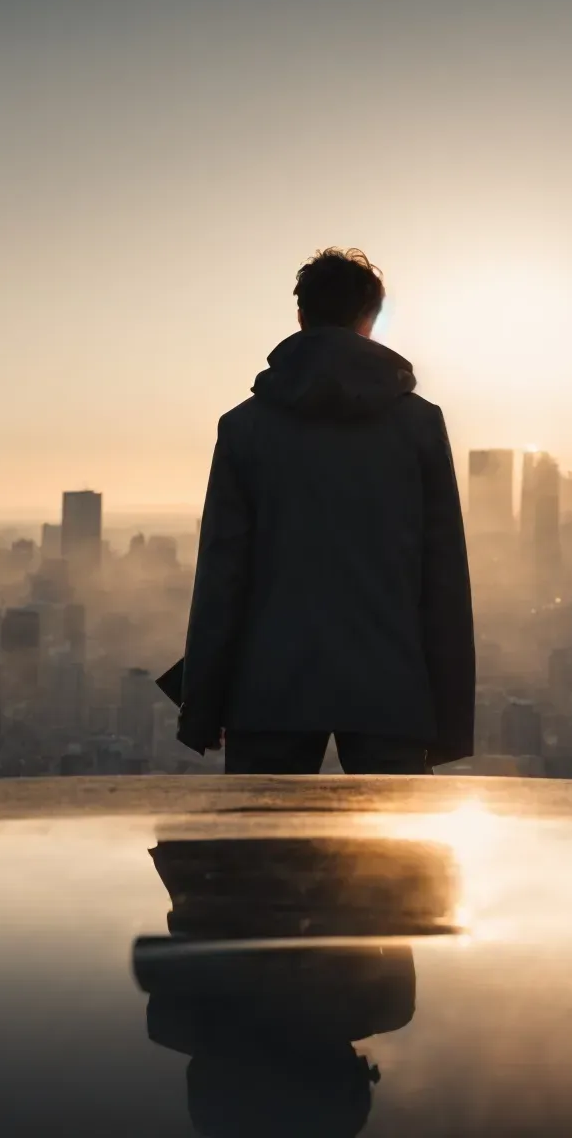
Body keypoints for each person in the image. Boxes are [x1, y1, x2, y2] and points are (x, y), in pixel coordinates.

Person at [178, 248, 474, 774]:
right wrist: (449, 724)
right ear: (370, 322)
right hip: (391, 689)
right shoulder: (420, 426)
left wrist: (202, 709)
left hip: (268, 690)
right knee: (394, 855)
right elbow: (443, 579)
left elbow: (221, 578)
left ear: (301, 317)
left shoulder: (244, 428)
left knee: (258, 852)